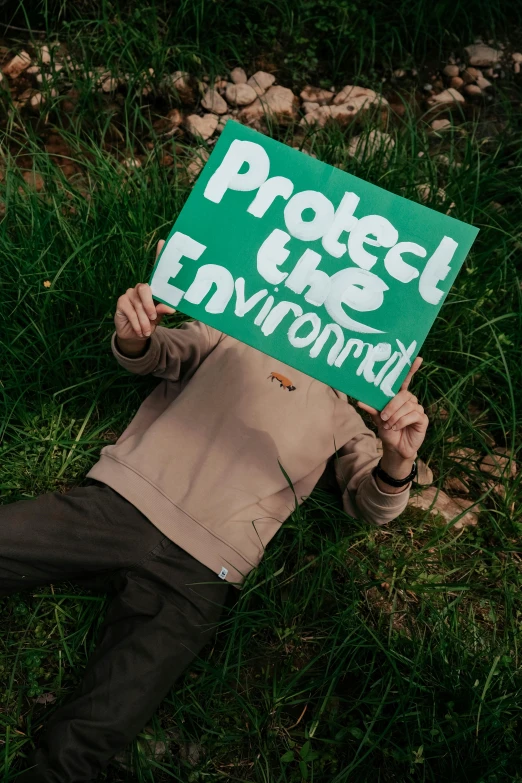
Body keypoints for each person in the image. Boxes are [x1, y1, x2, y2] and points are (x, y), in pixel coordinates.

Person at [8, 239, 429, 782]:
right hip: (119, 506)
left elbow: (371, 505)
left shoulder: (349, 418)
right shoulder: (235, 332)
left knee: (92, 737)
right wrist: (135, 335)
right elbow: (158, 353)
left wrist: (398, 459)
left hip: (201, 573)